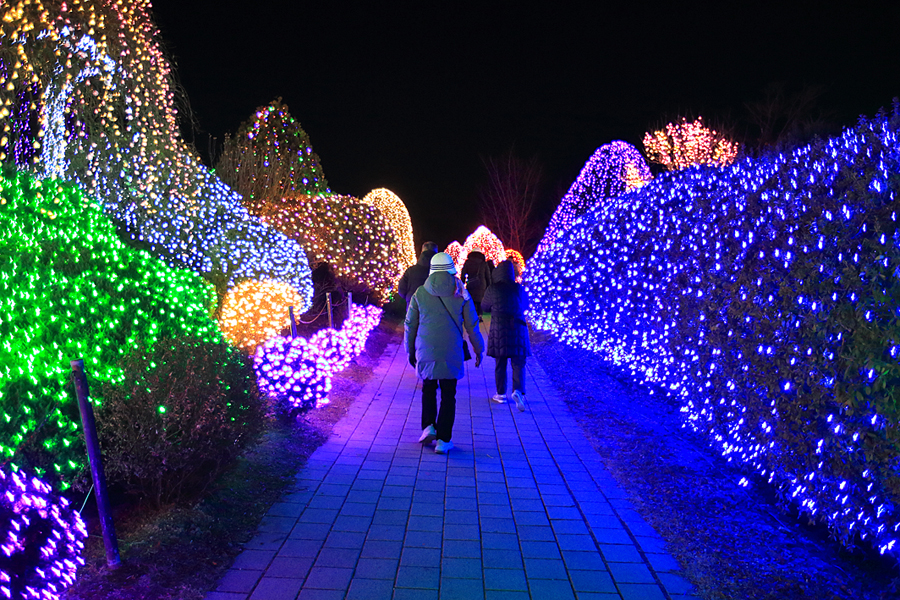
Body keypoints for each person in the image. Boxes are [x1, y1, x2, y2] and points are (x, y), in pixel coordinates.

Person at [405, 252, 484, 454]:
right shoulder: (461, 293)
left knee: (428, 389)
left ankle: (428, 426)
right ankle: (444, 440)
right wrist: (479, 349)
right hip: (452, 351)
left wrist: (410, 351)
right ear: (451, 268)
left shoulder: (420, 294)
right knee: (449, 394)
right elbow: (472, 325)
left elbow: (410, 325)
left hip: (426, 350)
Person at [481, 259, 530, 411]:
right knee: (518, 363)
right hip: (518, 328)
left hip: (499, 329)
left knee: (500, 363)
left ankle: (501, 394)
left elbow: (484, 306)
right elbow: (526, 305)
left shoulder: (493, 288)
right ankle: (517, 391)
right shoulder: (518, 288)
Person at [398, 241, 438, 307]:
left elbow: (401, 290)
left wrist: (409, 298)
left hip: (413, 305)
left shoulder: (410, 270)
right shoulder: (440, 272)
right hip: (433, 308)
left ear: (422, 252)